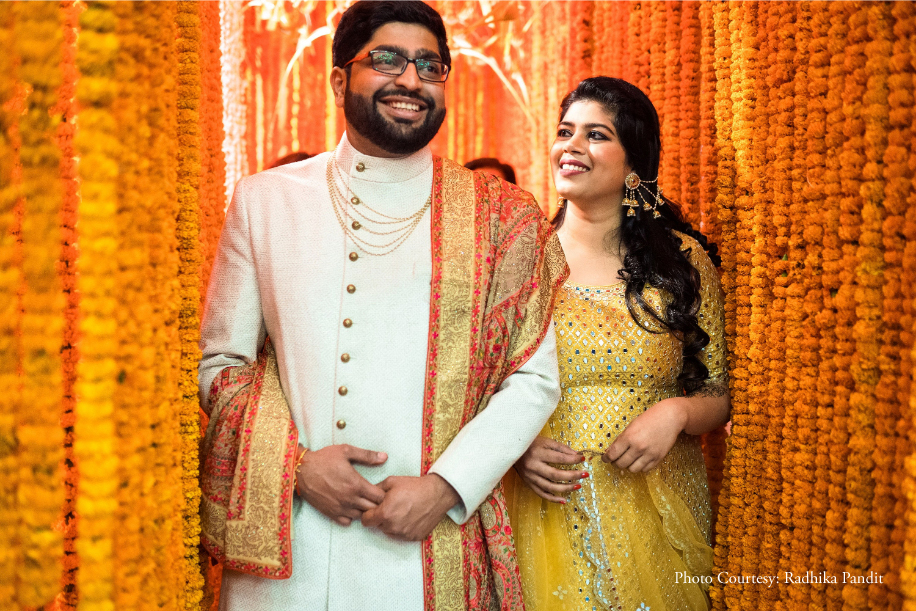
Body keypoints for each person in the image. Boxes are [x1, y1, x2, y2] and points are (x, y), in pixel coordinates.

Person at [197, 2, 567, 610]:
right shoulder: (265, 202)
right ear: (339, 79)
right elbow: (223, 363)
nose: (411, 80)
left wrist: (446, 487)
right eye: (387, 60)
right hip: (291, 552)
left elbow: (533, 377)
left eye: (430, 65)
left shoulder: (502, 215)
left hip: (428, 544)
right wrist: (294, 466)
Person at [507, 77, 729, 611]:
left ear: (634, 166)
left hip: (660, 507)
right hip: (546, 505)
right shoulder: (521, 260)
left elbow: (719, 393)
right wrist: (514, 446)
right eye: (565, 132)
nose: (572, 146)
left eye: (596, 135)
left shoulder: (681, 262)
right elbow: (476, 386)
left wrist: (676, 412)